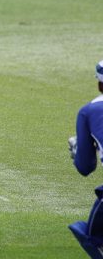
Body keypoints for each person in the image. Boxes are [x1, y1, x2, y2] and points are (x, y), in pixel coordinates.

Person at [68, 60, 103, 258]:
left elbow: (85, 166)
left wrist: (79, 149)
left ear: (99, 83)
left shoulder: (89, 111)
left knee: (88, 235)